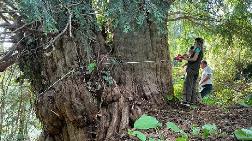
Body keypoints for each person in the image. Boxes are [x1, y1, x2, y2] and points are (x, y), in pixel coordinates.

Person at [182, 38, 204, 106]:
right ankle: (192, 102)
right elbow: (196, 60)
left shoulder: (197, 49)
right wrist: (186, 61)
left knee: (189, 85)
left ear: (198, 43)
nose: (194, 43)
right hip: (196, 70)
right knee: (193, 86)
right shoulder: (200, 51)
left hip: (191, 70)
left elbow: (194, 59)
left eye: (195, 42)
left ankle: (187, 102)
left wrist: (186, 59)